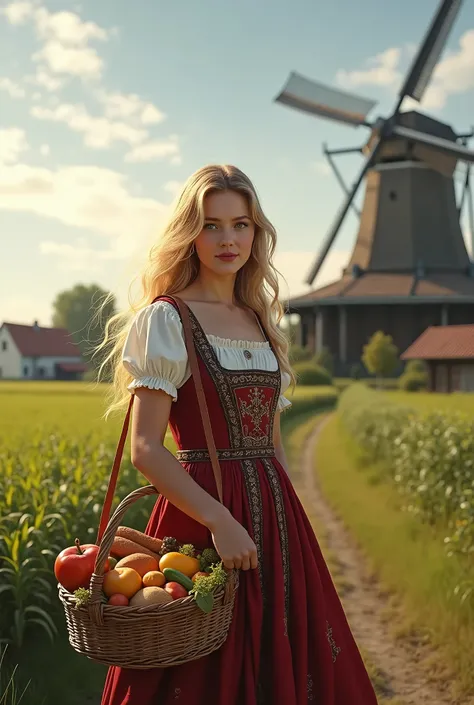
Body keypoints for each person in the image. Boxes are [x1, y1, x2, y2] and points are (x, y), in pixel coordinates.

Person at [98, 164, 378, 704]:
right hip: (202, 509)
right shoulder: (168, 319)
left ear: (257, 232)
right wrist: (221, 520)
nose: (228, 239)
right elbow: (147, 449)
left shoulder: (260, 322)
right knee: (196, 657)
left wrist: (285, 517)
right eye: (211, 225)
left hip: (277, 516)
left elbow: (270, 441)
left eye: (241, 224)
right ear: (189, 232)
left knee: (292, 653)